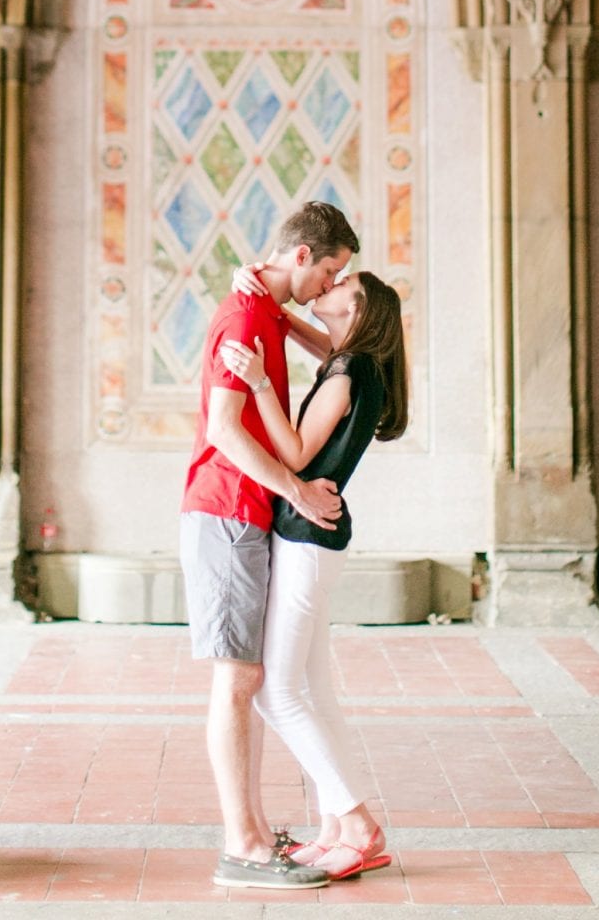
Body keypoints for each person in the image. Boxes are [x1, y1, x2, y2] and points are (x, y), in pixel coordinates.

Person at [179, 201, 361, 891]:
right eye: (332, 271)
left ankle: (251, 834)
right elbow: (225, 431)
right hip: (224, 511)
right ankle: (244, 846)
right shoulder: (246, 314)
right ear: (302, 256)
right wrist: (297, 490)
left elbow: (338, 352)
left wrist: (280, 307)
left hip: (244, 513)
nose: (331, 287)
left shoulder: (262, 308)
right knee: (236, 681)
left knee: (248, 678)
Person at [220, 268, 408, 881]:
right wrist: (274, 313)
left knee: (276, 690)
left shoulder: (350, 373)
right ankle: (335, 826)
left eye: (339, 285)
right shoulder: (359, 363)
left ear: (357, 312)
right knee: (314, 691)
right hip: (317, 540)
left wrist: (258, 388)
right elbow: (321, 343)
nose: (326, 287)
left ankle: (356, 822)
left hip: (306, 539)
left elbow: (297, 456)